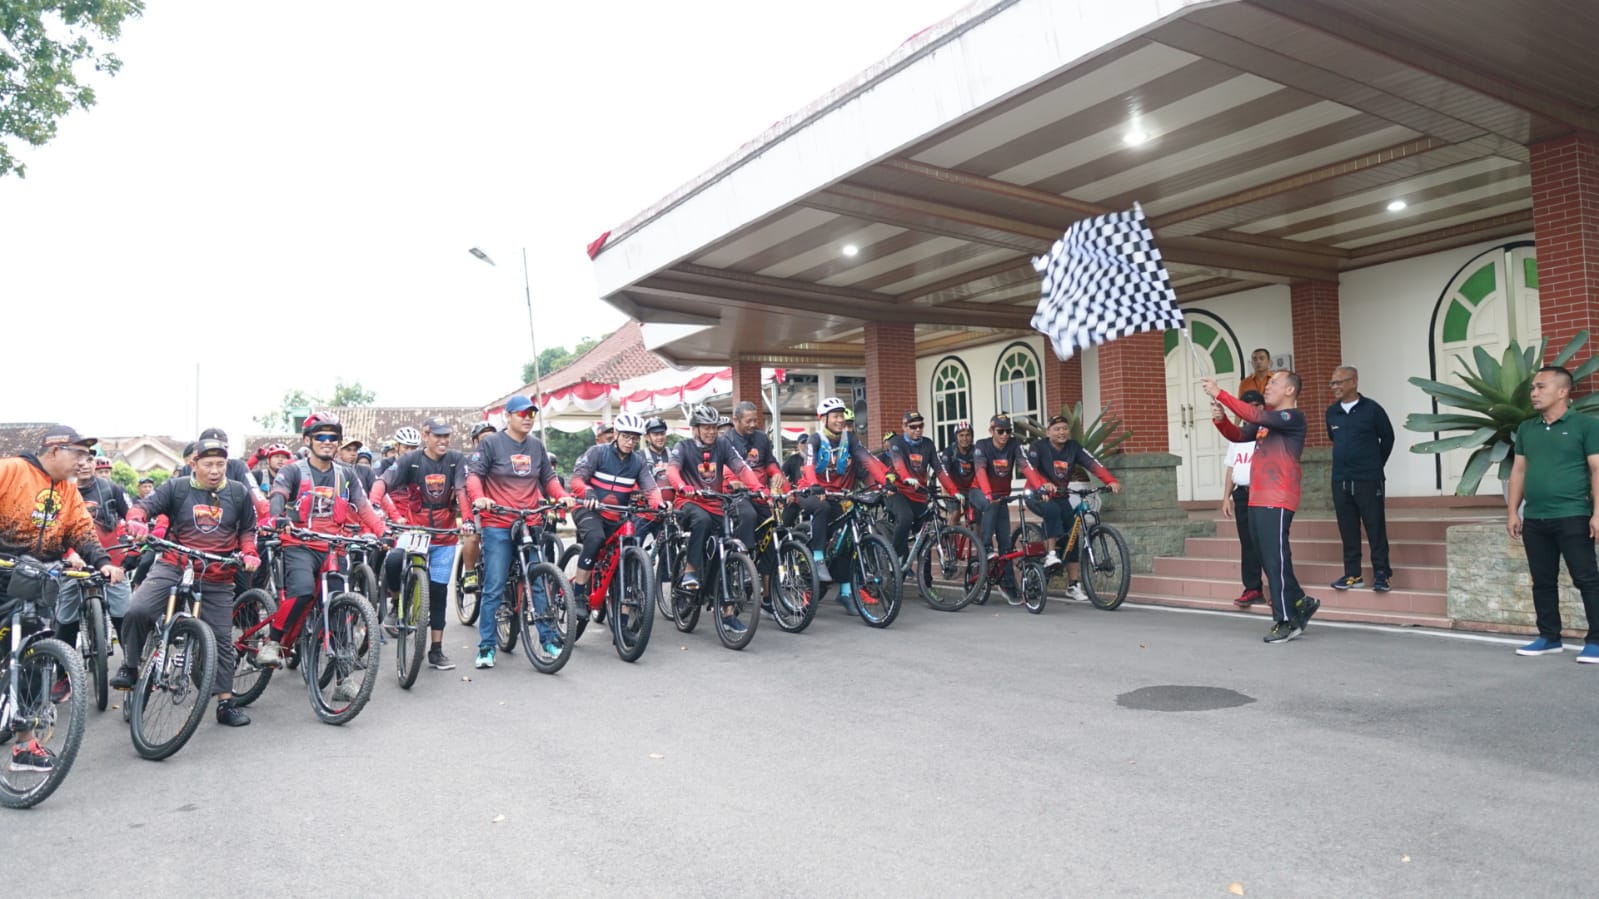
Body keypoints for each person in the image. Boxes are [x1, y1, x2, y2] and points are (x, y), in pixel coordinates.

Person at [0, 425, 122, 772]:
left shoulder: (68, 492)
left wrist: (102, 563)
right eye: (79, 454)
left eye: (88, 455)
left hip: (38, 578)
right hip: (2, 569)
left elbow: (81, 530)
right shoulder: (10, 470)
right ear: (54, 451)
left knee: (34, 655)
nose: (85, 462)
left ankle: (24, 746)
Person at [117, 437, 258, 726]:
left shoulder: (238, 492)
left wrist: (250, 552)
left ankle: (225, 703)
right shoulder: (177, 487)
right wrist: (137, 520)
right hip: (174, 564)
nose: (216, 470)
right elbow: (142, 507)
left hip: (218, 573)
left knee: (221, 639)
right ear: (194, 464)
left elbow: (247, 530)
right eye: (208, 464)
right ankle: (131, 667)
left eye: (221, 464)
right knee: (137, 610)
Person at [257, 413, 387, 693]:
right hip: (300, 542)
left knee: (340, 606)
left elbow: (362, 506)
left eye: (333, 438)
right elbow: (278, 494)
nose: (328, 442)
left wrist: (381, 533)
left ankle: (343, 680)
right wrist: (278, 518)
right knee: (302, 591)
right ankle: (273, 642)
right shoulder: (292, 470)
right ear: (308, 440)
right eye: (321, 437)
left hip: (334, 545)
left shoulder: (347, 474)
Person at [1203, 371, 1320, 643]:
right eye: (1267, 384)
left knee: (1276, 559)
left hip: (1278, 498)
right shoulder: (1267, 422)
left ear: (1290, 390)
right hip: (1257, 496)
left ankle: (1285, 620)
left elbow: (1255, 416)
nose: (1267, 388)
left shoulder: (1291, 417)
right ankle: (1301, 601)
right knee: (1269, 559)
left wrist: (1220, 392)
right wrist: (1220, 420)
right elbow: (1239, 435)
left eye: (1273, 384)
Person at [466, 395, 570, 668]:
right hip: (498, 521)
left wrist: (561, 496)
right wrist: (479, 497)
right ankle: (486, 647)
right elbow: (474, 476)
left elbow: (548, 479)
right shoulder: (491, 443)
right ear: (508, 416)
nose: (527, 418)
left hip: (530, 521)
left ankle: (547, 638)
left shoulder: (536, 447)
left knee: (538, 581)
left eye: (531, 414)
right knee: (495, 585)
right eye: (522, 413)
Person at [1507, 365, 1599, 662]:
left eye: (1541, 387)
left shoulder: (1586, 425)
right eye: (1533, 387)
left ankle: (1596, 641)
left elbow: (1597, 469)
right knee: (1542, 581)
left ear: (1563, 391)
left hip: (1573, 515)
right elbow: (1519, 470)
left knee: (1587, 579)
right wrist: (1512, 511)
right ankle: (1549, 637)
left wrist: (1597, 514)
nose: (1534, 393)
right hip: (1535, 518)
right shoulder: (1527, 429)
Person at [371, 417, 467, 671]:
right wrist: (373, 501)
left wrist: (467, 519)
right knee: (393, 559)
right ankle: (395, 601)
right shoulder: (409, 460)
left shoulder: (456, 459)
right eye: (438, 436)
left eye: (446, 435)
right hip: (415, 529)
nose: (443, 440)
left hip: (445, 533)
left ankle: (436, 649)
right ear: (426, 436)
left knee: (438, 592)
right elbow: (382, 482)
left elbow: (462, 491)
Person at [665, 404, 764, 631]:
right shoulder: (684, 447)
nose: (711, 432)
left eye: (714, 427)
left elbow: (741, 467)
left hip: (717, 503)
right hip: (689, 502)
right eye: (706, 428)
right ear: (695, 429)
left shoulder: (723, 445)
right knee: (703, 521)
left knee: (728, 546)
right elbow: (672, 470)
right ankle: (690, 571)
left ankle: (728, 613)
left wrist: (758, 487)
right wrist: (682, 485)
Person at [797, 398, 892, 608]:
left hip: (838, 495)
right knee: (821, 508)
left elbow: (867, 460)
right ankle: (818, 556)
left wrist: (887, 480)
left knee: (848, 537)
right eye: (835, 416)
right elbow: (810, 464)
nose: (840, 420)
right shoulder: (815, 439)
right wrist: (814, 485)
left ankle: (847, 591)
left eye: (842, 416)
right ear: (824, 419)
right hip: (811, 492)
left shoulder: (849, 439)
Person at [568, 413, 663, 621]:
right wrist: (587, 492)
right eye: (627, 437)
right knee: (595, 538)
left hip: (617, 514)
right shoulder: (597, 453)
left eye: (635, 438)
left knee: (626, 549)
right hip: (588, 508)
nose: (631, 442)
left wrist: (660, 504)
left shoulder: (637, 462)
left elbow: (650, 488)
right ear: (617, 434)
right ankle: (579, 594)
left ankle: (622, 614)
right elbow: (576, 480)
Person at [1025, 414, 1121, 600]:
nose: (1062, 432)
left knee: (1072, 534)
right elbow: (1031, 470)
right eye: (1057, 429)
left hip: (1060, 495)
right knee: (1052, 510)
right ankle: (1051, 554)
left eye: (1064, 428)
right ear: (1048, 432)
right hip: (1037, 494)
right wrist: (1043, 484)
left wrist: (1111, 481)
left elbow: (1093, 463)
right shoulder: (1039, 447)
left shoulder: (1073, 447)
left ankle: (1073, 585)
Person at [54, 451, 133, 650]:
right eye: (78, 459)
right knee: (66, 616)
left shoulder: (112, 488)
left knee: (124, 613)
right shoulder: (60, 491)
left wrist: (133, 542)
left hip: (112, 561)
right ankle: (64, 673)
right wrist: (68, 554)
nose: (84, 465)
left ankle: (132, 669)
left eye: (89, 460)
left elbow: (133, 514)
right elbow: (52, 528)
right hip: (74, 562)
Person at [1326, 366, 1395, 592]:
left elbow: (1388, 438)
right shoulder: (1332, 412)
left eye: (1339, 382)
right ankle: (1353, 574)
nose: (1335, 387)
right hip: (1341, 480)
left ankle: (1381, 574)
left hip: (1368, 479)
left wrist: (1375, 464)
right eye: (1333, 383)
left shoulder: (1372, 409)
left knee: (1375, 527)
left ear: (1354, 382)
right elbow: (1332, 438)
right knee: (1347, 529)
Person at [970, 414, 1041, 597]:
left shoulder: (1014, 445)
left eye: (1008, 431)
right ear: (991, 431)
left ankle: (1007, 583)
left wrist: (1039, 487)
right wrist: (987, 492)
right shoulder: (981, 445)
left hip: (1001, 496)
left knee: (1006, 542)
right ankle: (985, 547)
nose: (1004, 435)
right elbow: (980, 470)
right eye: (1000, 431)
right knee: (990, 504)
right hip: (979, 492)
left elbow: (1026, 466)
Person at [884, 411, 957, 565]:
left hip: (919, 495)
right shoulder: (896, 442)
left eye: (921, 426)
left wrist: (954, 491)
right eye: (913, 427)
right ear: (904, 427)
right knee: (905, 518)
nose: (918, 430)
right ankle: (894, 559)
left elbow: (939, 470)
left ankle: (926, 583)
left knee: (924, 538)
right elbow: (898, 464)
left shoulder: (928, 444)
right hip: (899, 492)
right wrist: (906, 478)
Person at [1217, 390, 1267, 608]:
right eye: (1247, 406)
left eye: (1257, 405)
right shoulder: (1238, 436)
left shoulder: (1268, 432)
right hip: (1242, 494)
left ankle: (1277, 589)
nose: (1252, 410)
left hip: (1263, 494)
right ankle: (1252, 588)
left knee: (1267, 543)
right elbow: (1231, 468)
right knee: (1247, 544)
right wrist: (1226, 497)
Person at [940, 420, 977, 528]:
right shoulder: (949, 451)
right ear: (956, 437)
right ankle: (950, 544)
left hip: (970, 489)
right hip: (952, 488)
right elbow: (944, 474)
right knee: (955, 514)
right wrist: (947, 492)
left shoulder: (976, 451)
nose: (965, 438)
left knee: (976, 516)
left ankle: (979, 544)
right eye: (961, 435)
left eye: (968, 435)